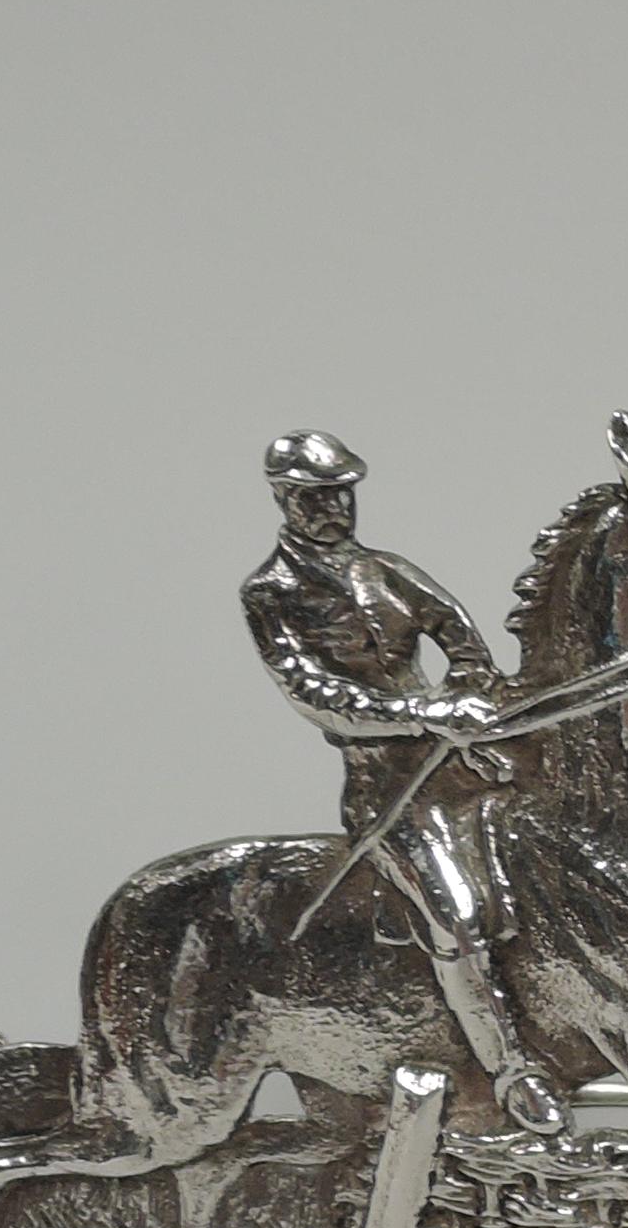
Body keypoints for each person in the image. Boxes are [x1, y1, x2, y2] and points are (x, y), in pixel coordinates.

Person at [240, 430, 564, 1132]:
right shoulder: (272, 593)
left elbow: (454, 628)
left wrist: (472, 687)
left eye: (342, 493)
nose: (334, 509)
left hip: (460, 762)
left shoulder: (386, 570)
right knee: (456, 915)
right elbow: (311, 691)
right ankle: (512, 1070)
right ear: (286, 500)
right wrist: (423, 711)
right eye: (318, 498)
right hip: (385, 790)